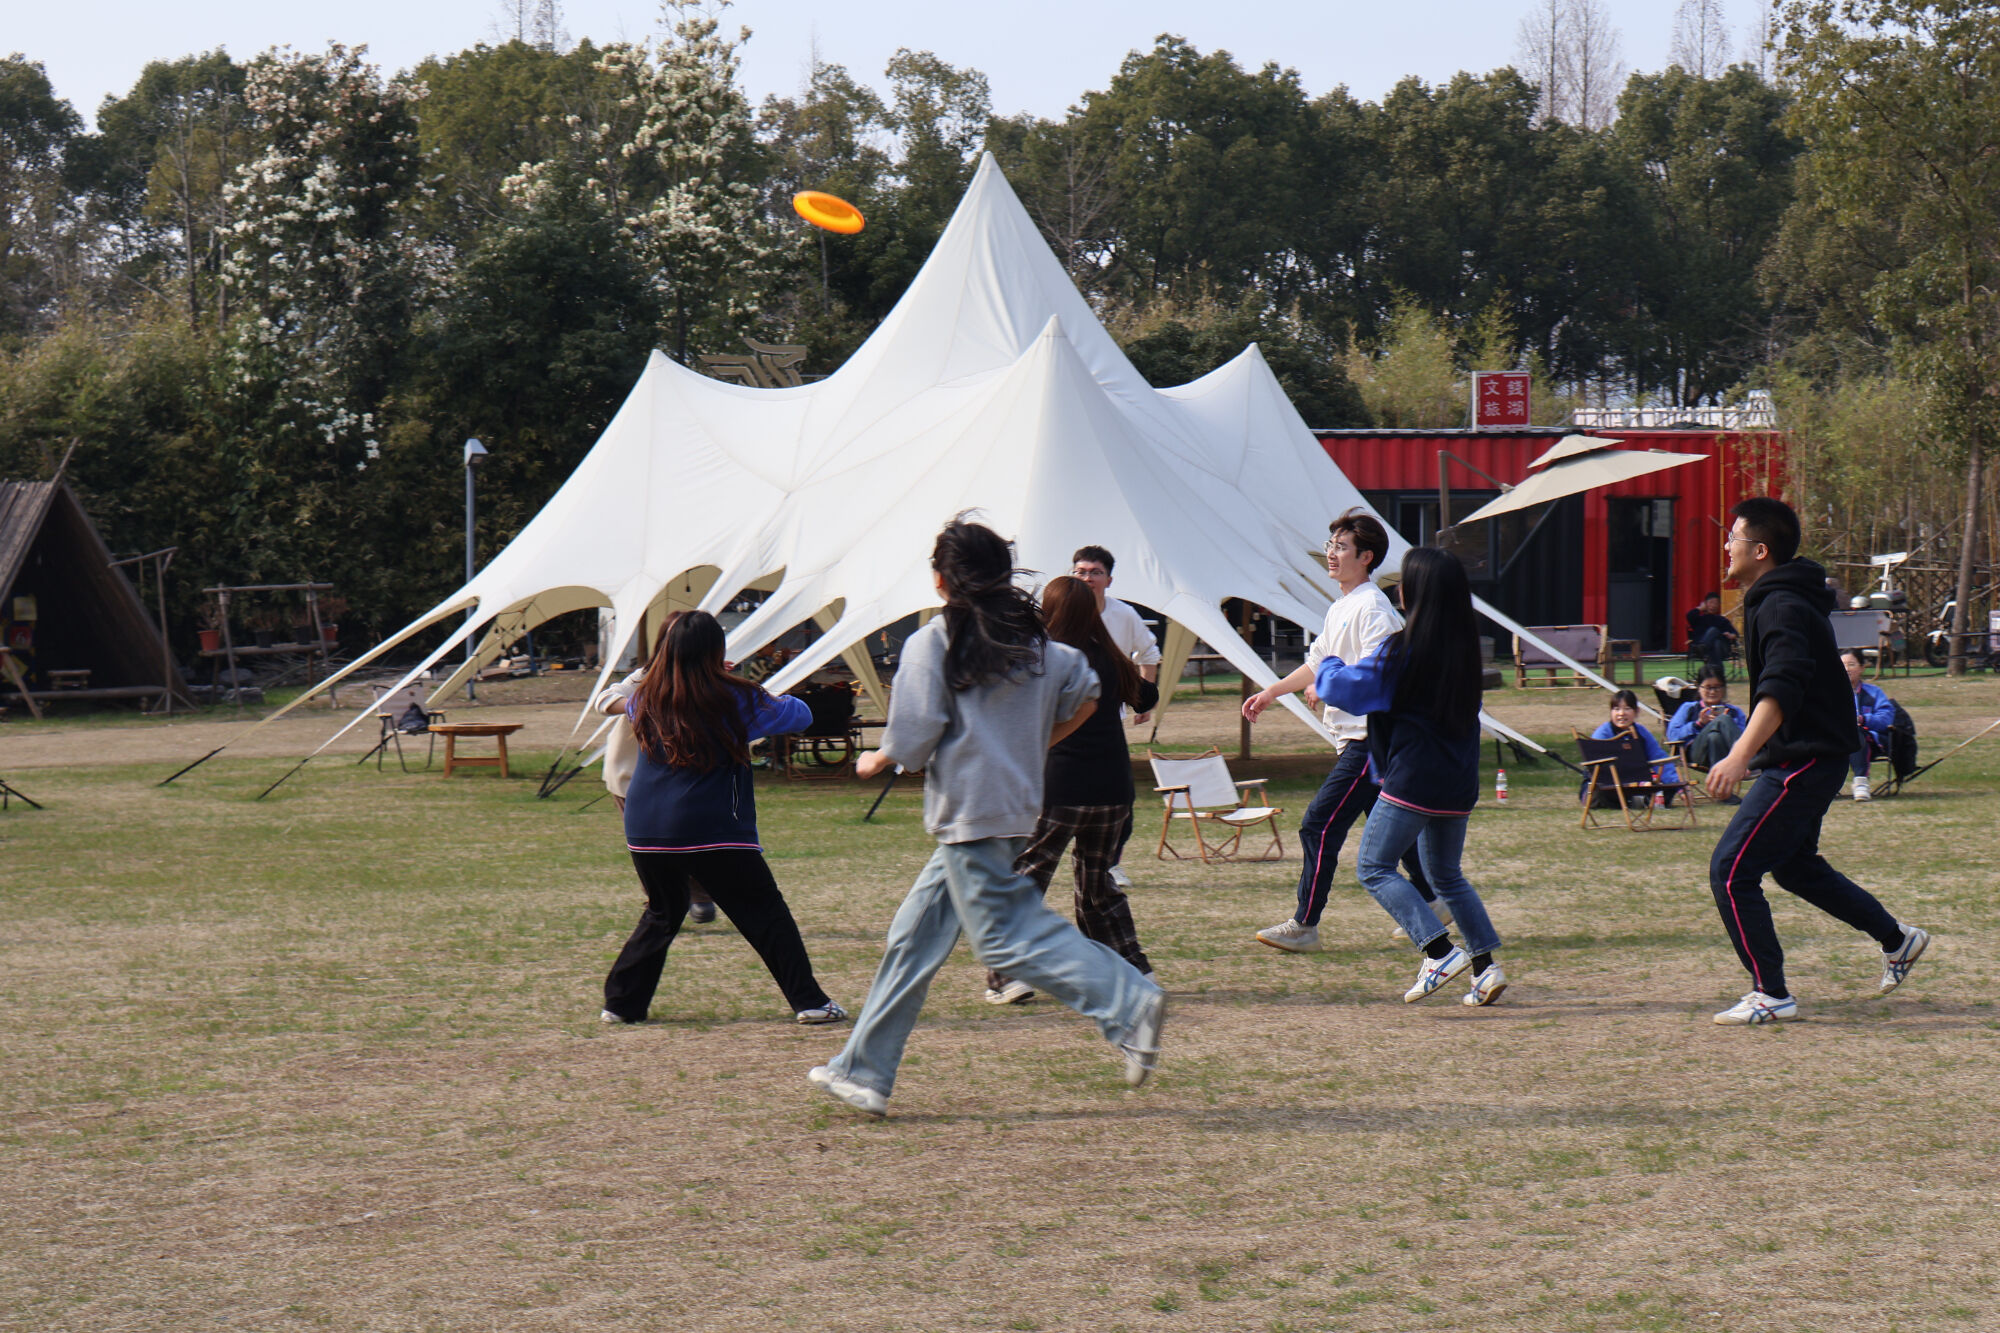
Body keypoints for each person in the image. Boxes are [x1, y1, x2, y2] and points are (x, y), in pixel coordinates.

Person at [808, 517, 1167, 1118]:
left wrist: (876, 757)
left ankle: (1129, 1002)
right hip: (1012, 806)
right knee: (913, 938)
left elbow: (914, 743)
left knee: (1004, 935)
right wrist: (1037, 742)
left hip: (971, 814)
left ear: (943, 581)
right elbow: (1089, 693)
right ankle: (863, 1072)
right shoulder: (1040, 646)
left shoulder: (934, 643)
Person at [1702, 498, 1929, 1025]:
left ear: (1760, 550)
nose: (1725, 546)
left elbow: (1782, 687)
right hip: (1812, 757)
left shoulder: (1781, 606)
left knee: (1731, 872)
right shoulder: (1778, 598)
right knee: (1794, 866)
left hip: (1804, 761)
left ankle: (1771, 993)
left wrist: (1739, 755)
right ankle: (1898, 941)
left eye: (1732, 537)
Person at [599, 610, 846, 1027]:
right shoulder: (737, 697)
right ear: (718, 651)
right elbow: (800, 714)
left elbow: (623, 699)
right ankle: (810, 1002)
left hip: (646, 828)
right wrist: (736, 682)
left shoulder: (645, 698)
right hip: (714, 828)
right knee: (764, 912)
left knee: (662, 911)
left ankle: (621, 1003)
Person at [1312, 546, 1509, 1007]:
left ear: (1417, 592)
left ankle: (1438, 951)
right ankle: (1486, 967)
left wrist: (1327, 665)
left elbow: (1350, 691)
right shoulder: (1465, 653)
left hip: (1414, 779)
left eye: (1405, 581)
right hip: (1458, 781)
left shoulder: (1404, 651)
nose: (1397, 589)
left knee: (1373, 867)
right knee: (1446, 875)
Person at [1243, 509, 1440, 953]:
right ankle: (1434, 900)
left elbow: (1379, 674)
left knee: (1317, 825)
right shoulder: (1341, 607)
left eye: (1341, 547)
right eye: (1330, 545)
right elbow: (1319, 660)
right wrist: (1272, 692)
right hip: (1355, 737)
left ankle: (1305, 924)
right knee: (1393, 832)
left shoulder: (1372, 608)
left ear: (1366, 556)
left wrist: (1330, 687)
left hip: (1370, 741)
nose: (1331, 554)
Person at [983, 574, 1162, 1005]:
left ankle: (1010, 974)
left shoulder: (1043, 657)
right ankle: (1134, 971)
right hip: (1113, 790)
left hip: (1058, 788)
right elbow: (1147, 697)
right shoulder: (1109, 657)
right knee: (1098, 887)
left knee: (1024, 881)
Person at [1069, 545, 1164, 891]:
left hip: (1106, 719)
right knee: (1059, 797)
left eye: (1094, 572)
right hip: (1063, 723)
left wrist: (1142, 699)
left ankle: (1110, 864)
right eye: (1080, 572)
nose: (1087, 578)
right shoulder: (1060, 613)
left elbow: (1149, 654)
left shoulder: (1123, 615)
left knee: (1119, 796)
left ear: (1109, 579)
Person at [596, 656, 717, 924]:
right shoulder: (645, 678)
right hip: (630, 778)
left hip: (679, 779)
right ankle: (661, 902)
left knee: (690, 836)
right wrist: (639, 705)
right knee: (649, 847)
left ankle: (699, 894)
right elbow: (603, 701)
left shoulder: (708, 678)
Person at [1581, 689, 1681, 807]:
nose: (1621, 713)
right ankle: (1639, 800)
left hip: (1638, 781)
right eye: (1616, 709)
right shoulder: (1602, 734)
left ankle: (1640, 799)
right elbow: (1598, 770)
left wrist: (1678, 786)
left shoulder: (1641, 732)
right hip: (1608, 783)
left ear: (1636, 712)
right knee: (1600, 793)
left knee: (1666, 788)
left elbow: (1658, 757)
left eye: (1627, 708)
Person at [1665, 670, 1748, 773]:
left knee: (1715, 736)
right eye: (1708, 687)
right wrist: (1698, 724)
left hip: (1726, 752)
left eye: (1717, 687)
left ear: (1724, 688)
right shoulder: (1688, 708)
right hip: (1698, 753)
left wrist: (1728, 724)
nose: (1713, 692)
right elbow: (1672, 735)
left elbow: (1744, 735)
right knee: (1722, 719)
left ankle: (1718, 786)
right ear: (1699, 688)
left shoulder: (1735, 712)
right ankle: (1748, 760)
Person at [1842, 649, 1895, 801]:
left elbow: (1886, 718)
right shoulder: (1827, 692)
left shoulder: (1874, 693)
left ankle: (1861, 782)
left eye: (1851, 664)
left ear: (1862, 668)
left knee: (1855, 731)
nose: (1846, 669)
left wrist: (1863, 719)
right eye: (1842, 665)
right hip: (1836, 740)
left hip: (1869, 740)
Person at [1686, 591, 1739, 674]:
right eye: (1711, 603)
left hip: (1721, 649)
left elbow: (1735, 634)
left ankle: (1704, 646)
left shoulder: (1722, 620)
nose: (1713, 605)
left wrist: (1731, 635)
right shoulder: (1698, 619)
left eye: (1716, 603)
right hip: (1701, 651)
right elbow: (1689, 616)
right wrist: (1700, 608)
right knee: (1715, 643)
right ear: (1705, 604)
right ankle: (1718, 673)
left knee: (1714, 634)